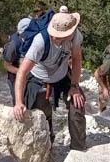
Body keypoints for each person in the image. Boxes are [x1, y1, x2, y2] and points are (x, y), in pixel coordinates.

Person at [11, 10, 87, 151]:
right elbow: (22, 72)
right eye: (55, 36)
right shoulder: (40, 41)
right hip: (39, 78)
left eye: (61, 36)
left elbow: (77, 59)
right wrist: (19, 102)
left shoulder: (76, 36)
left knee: (77, 104)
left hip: (62, 75)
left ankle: (78, 149)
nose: (56, 38)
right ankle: (47, 147)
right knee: (42, 113)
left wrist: (74, 86)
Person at [2, 17, 31, 105]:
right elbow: (6, 65)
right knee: (18, 100)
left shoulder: (34, 40)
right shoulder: (13, 45)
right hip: (15, 74)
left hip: (29, 74)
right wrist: (22, 72)